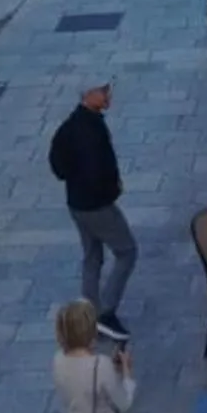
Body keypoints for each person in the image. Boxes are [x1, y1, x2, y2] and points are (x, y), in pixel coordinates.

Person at [49, 82, 137, 344]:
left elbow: (58, 167)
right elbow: (97, 169)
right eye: (104, 90)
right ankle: (105, 313)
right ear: (88, 94)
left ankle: (88, 313)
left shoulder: (69, 126)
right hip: (97, 205)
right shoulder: (90, 130)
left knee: (92, 256)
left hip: (76, 203)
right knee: (127, 251)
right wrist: (111, 189)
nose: (109, 95)